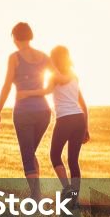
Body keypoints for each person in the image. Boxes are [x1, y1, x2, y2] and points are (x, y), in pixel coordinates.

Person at [0, 22, 60, 198]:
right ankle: (36, 193)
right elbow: (57, 80)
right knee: (30, 152)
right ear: (30, 36)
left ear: (15, 38)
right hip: (44, 112)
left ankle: (36, 195)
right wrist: (40, 92)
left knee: (27, 153)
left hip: (24, 112)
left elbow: (7, 85)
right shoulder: (44, 57)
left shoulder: (14, 57)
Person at [43, 45, 89, 204]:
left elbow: (46, 92)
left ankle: (67, 188)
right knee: (73, 160)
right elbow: (83, 104)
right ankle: (74, 197)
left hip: (65, 119)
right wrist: (86, 127)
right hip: (79, 119)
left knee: (55, 155)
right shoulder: (74, 76)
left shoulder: (54, 77)